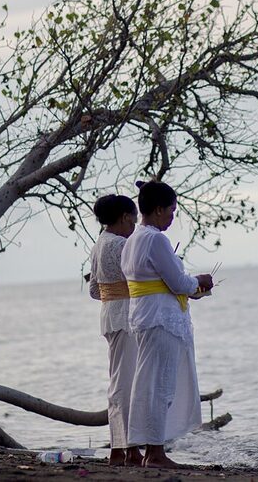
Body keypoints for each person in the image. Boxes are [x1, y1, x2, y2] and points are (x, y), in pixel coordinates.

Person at [121, 180, 214, 468]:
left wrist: (188, 287)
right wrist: (198, 282)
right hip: (162, 319)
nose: (173, 217)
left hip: (144, 316)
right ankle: (156, 452)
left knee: (145, 384)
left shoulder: (132, 240)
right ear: (159, 210)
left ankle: (143, 448)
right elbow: (178, 282)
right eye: (172, 211)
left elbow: (154, 281)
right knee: (161, 385)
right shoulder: (155, 239)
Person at [88, 194, 144, 467]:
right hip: (126, 316)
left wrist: (114, 293)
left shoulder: (98, 244)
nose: (134, 225)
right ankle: (127, 448)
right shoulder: (122, 244)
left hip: (110, 315)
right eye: (133, 219)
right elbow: (141, 277)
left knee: (118, 381)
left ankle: (121, 448)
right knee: (127, 384)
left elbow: (93, 290)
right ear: (124, 217)